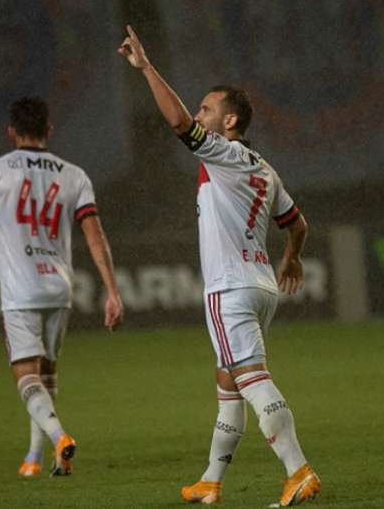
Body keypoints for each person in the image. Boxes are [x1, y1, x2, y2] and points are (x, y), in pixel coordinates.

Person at [118, 26, 320, 506]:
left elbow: (178, 125)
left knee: (250, 378)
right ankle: (211, 479)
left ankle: (299, 471)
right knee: (228, 384)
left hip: (229, 288)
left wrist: (146, 68)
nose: (199, 113)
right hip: (261, 286)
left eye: (207, 109)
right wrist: (291, 259)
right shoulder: (264, 168)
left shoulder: (224, 153)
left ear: (230, 121)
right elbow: (299, 224)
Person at [0, 96, 123, 477]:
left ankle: (59, 437)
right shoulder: (74, 175)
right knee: (47, 370)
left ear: (11, 131)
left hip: (20, 290)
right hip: (59, 288)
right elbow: (96, 237)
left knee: (26, 374)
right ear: (49, 130)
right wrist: (112, 289)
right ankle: (34, 457)